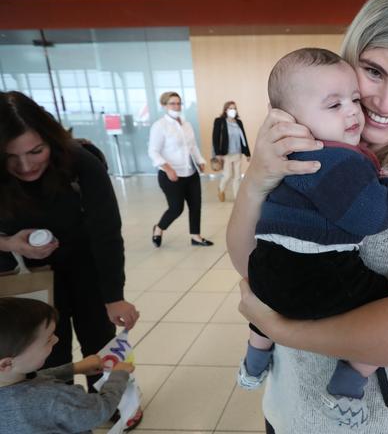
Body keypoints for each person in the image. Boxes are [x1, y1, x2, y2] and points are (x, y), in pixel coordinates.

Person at [227, 0, 388, 434]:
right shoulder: (309, 140)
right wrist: (256, 179)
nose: (384, 103)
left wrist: (281, 330)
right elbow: (250, 262)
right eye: (375, 72)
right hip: (290, 410)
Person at [238, 47, 388, 428]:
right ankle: (349, 380)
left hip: (265, 270)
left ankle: (256, 355)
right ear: (288, 120)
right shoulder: (335, 160)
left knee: (269, 298)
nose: (353, 111)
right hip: (315, 276)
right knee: (383, 305)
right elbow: (369, 216)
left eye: (353, 99)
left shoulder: (284, 158)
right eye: (334, 105)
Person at [0, 91, 139, 389]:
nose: (25, 166)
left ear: (51, 139)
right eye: (11, 157)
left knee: (99, 339)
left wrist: (114, 296)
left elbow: (107, 232)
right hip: (21, 275)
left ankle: (111, 401)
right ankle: (56, 408)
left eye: (36, 151)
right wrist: (10, 244)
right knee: (39, 350)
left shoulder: (81, 163)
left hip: (85, 268)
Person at [0, 297, 135, 434]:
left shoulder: (10, 378)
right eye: (48, 339)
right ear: (6, 364)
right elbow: (99, 412)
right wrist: (118, 376)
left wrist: (75, 368)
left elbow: (31, 381)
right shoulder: (55, 398)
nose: (56, 339)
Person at [149, 91, 213, 247]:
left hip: (190, 173)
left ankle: (195, 236)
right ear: (164, 105)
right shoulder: (160, 126)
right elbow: (153, 151)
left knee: (195, 206)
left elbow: (192, 146)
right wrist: (168, 168)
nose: (176, 106)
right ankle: (159, 228)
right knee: (176, 208)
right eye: (172, 103)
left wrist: (200, 161)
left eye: (178, 103)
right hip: (171, 175)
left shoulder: (186, 124)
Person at [212, 100, 251, 202]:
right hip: (226, 154)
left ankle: (237, 198)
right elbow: (215, 138)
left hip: (237, 153)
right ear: (225, 110)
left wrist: (247, 153)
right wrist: (218, 154)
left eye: (234, 108)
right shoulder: (219, 121)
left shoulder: (238, 122)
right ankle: (221, 189)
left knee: (237, 177)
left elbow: (243, 138)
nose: (232, 110)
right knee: (228, 175)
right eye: (230, 108)